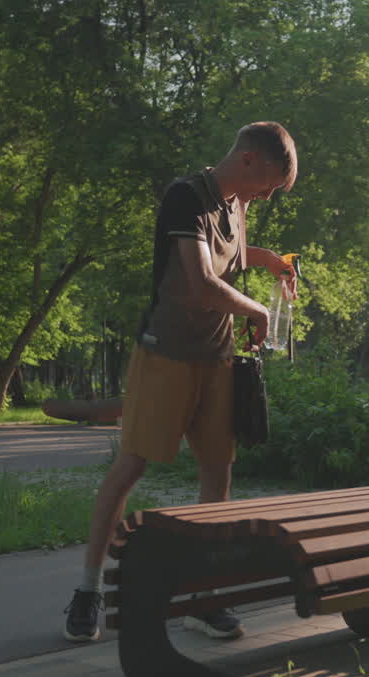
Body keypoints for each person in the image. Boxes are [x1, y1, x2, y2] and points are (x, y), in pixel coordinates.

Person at [64, 122, 299, 642]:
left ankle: (203, 597)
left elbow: (233, 257)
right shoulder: (185, 197)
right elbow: (200, 283)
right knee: (131, 466)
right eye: (269, 185)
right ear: (248, 161)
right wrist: (259, 310)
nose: (267, 196)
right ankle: (88, 589)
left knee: (218, 475)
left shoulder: (237, 205)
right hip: (165, 354)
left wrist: (273, 263)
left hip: (217, 358)